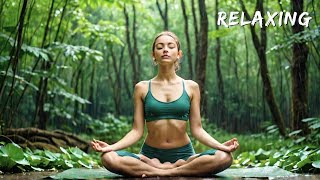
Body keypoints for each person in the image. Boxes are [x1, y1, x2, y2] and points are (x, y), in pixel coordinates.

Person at [91, 31, 239, 177]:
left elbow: (197, 129)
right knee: (108, 158)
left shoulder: (191, 87)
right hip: (149, 157)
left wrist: (220, 146)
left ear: (179, 54)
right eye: (160, 47)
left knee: (224, 157)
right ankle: (165, 171)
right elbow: (136, 131)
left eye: (170, 46)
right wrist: (111, 147)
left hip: (184, 157)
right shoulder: (141, 88)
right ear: (153, 55)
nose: (165, 50)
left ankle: (167, 172)